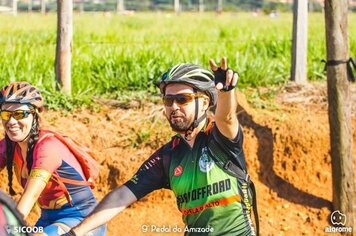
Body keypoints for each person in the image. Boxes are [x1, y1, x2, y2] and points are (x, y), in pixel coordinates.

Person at [65, 57, 257, 236]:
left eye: (182, 99)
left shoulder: (220, 139)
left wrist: (226, 92)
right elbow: (122, 196)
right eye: (168, 100)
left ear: (205, 102)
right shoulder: (167, 157)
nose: (173, 106)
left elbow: (227, 117)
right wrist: (74, 233)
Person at [0, 82, 107, 235]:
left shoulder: (47, 147)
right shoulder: (8, 146)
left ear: (35, 115)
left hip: (83, 220)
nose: (10, 121)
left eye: (19, 114)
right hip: (48, 220)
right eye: (5, 114)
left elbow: (31, 196)